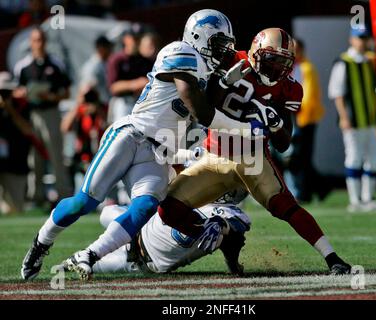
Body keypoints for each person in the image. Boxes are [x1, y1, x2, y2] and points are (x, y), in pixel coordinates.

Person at [21, 9, 264, 280]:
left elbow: (204, 100)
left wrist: (223, 83)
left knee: (145, 207)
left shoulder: (206, 70)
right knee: (84, 203)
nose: (223, 50)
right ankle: (41, 243)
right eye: (219, 42)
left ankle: (90, 254)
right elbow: (198, 107)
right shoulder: (180, 51)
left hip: (159, 152)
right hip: (131, 135)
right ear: (199, 36)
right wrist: (243, 128)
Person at [158, 28, 351, 275]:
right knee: (168, 209)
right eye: (271, 60)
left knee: (286, 205)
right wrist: (224, 81)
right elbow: (205, 107)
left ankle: (332, 257)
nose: (276, 69)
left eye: (283, 62)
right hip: (215, 156)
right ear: (255, 53)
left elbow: (283, 143)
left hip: (253, 159)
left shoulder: (288, 88)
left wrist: (276, 122)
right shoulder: (230, 61)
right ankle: (226, 238)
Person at [85, 187, 250, 275]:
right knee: (107, 212)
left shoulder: (231, 215)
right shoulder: (198, 187)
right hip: (139, 229)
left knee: (87, 266)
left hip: (141, 262)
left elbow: (234, 229)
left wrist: (221, 225)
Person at [14, 27, 72, 207]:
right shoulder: (23, 66)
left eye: (41, 40)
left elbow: (66, 92)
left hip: (51, 113)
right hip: (32, 114)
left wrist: (51, 97)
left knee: (56, 155)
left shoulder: (55, 64)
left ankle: (63, 195)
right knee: (34, 158)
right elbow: (16, 91)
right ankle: (36, 197)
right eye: (35, 40)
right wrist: (24, 93)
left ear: (45, 42)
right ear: (31, 43)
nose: (38, 44)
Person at [328, 25, 376, 212]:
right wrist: (344, 117)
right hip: (353, 120)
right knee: (354, 157)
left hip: (370, 120)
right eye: (360, 38)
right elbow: (337, 93)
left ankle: (367, 199)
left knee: (373, 159)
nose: (363, 42)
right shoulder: (343, 62)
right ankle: (355, 200)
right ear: (352, 39)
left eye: (365, 38)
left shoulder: (368, 61)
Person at [288, 38, 327, 203]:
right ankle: (321, 186)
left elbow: (308, 95)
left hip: (305, 118)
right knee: (299, 157)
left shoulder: (306, 68)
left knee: (301, 157)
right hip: (296, 117)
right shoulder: (293, 68)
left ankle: (306, 192)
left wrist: (295, 107)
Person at [106, 25, 152, 123]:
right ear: (126, 39)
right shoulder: (117, 59)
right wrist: (135, 84)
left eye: (139, 38)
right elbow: (113, 87)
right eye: (134, 38)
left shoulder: (145, 60)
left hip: (141, 103)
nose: (137, 41)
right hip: (123, 103)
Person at [0, 72, 31, 214]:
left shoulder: (22, 106)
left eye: (7, 91)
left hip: (16, 164)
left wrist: (10, 109)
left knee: (14, 210)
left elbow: (27, 130)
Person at [78, 35, 113, 106]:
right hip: (96, 106)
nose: (110, 50)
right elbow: (85, 90)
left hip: (106, 104)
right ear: (101, 48)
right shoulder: (92, 66)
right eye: (108, 47)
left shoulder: (106, 63)